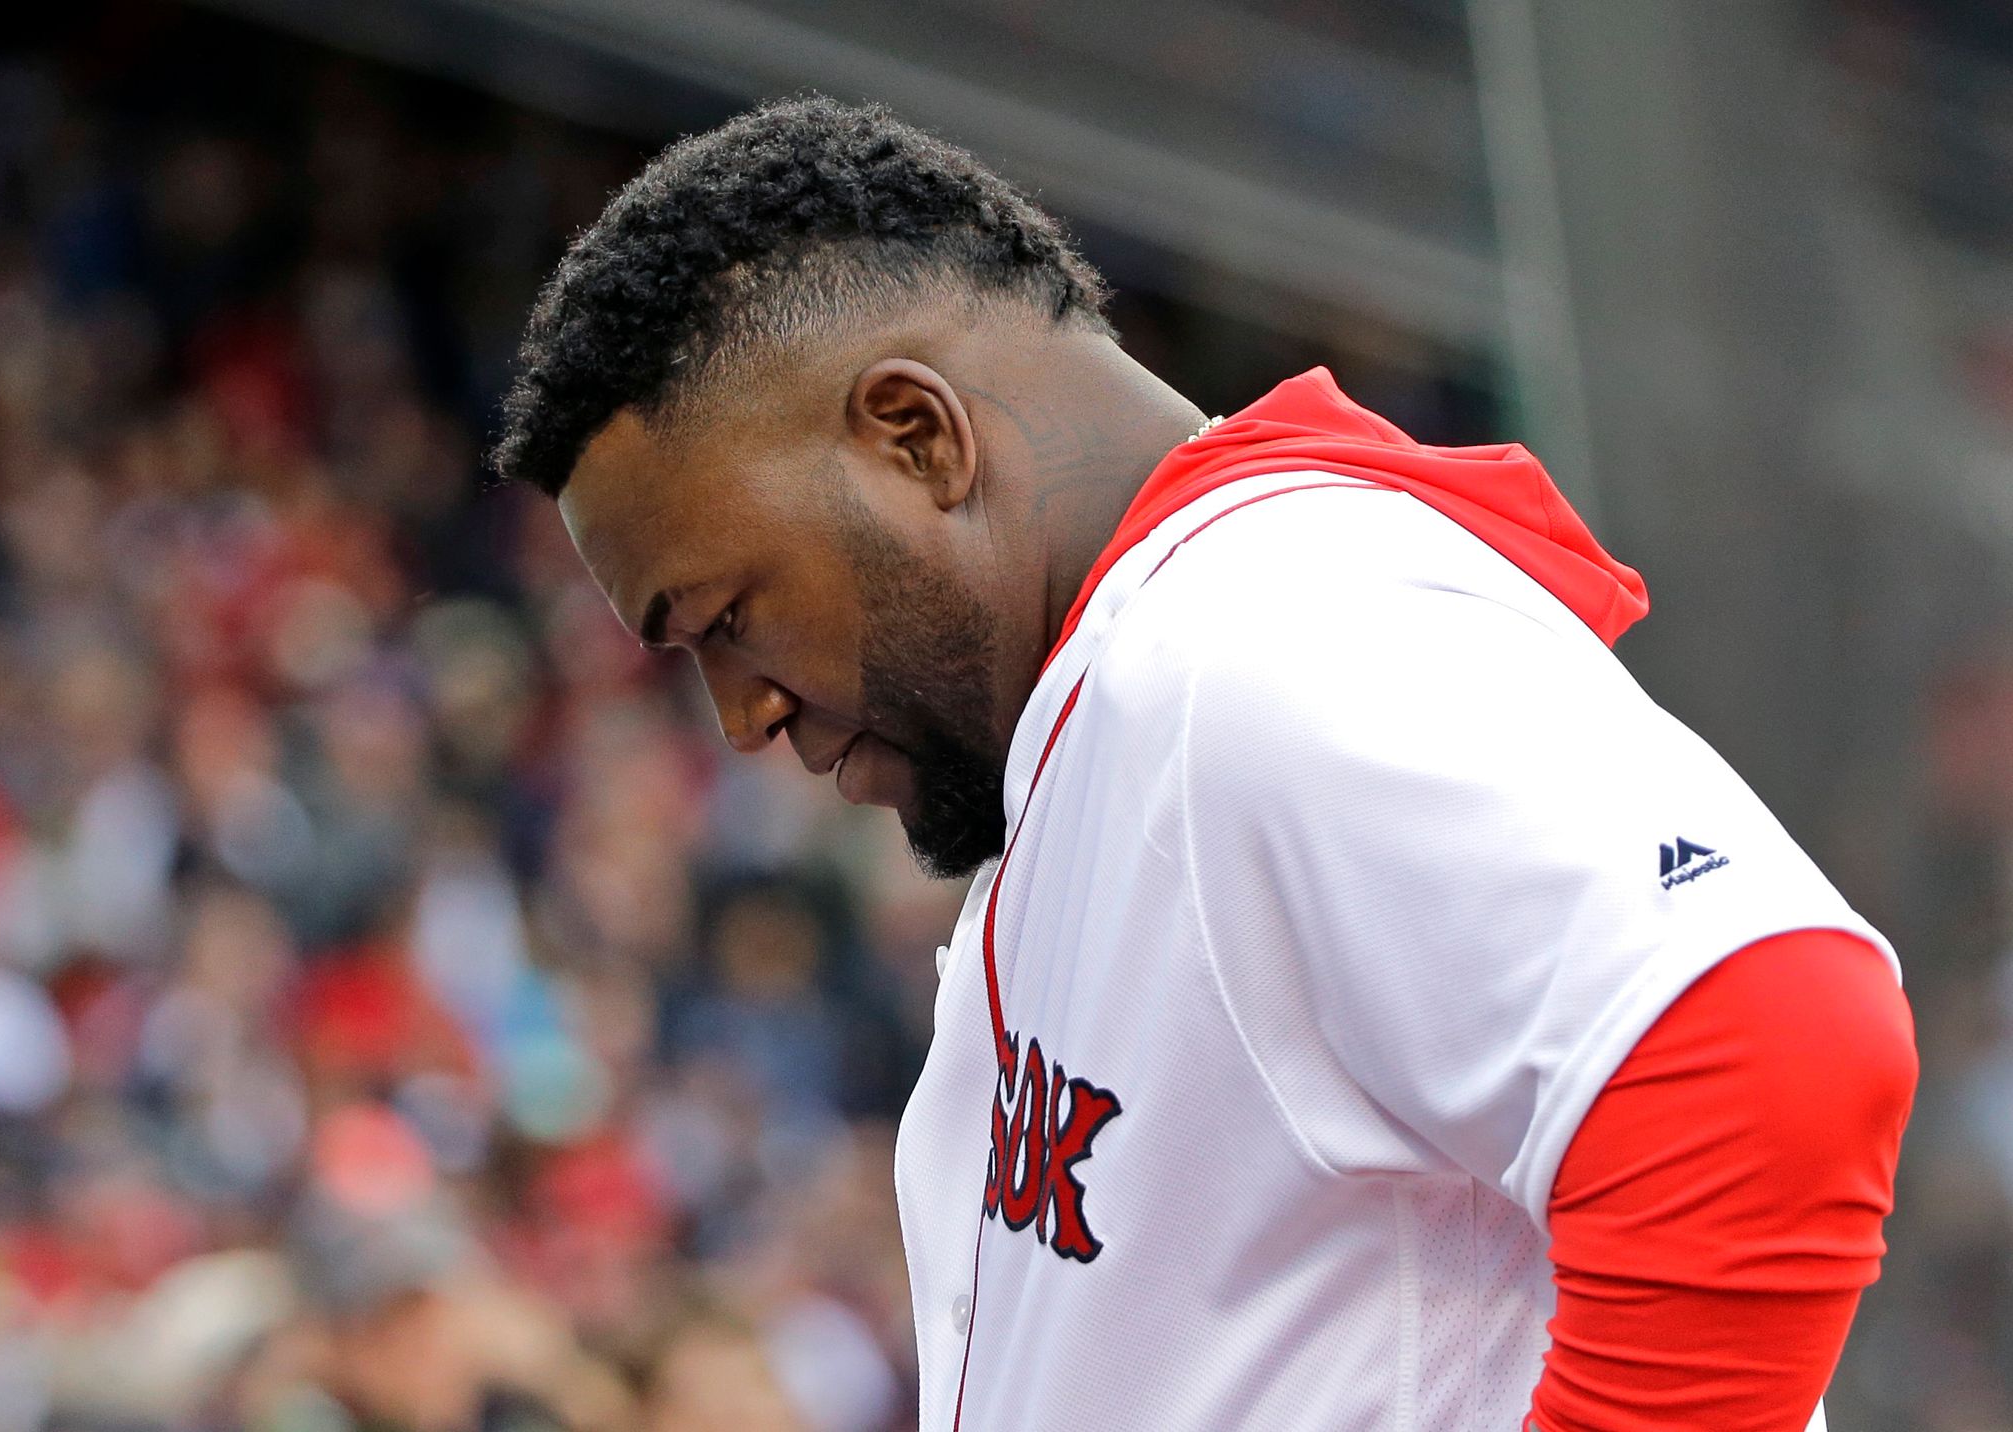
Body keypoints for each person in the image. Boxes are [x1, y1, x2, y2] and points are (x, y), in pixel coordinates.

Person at [492, 97, 1917, 1432]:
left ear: (916, 437)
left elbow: (1769, 1040)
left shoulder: (1255, 634)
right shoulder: (1127, 702)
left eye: (728, 622)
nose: (742, 719)